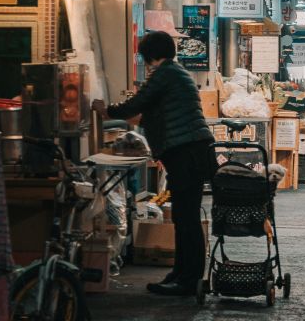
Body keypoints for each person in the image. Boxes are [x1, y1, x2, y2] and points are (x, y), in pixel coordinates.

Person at [92, 31, 216, 296]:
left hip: (186, 153)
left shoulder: (165, 73)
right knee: (186, 217)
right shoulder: (176, 73)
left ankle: (187, 281)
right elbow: (155, 115)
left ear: (149, 55)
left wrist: (107, 111)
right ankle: (182, 273)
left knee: (186, 219)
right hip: (191, 152)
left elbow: (137, 103)